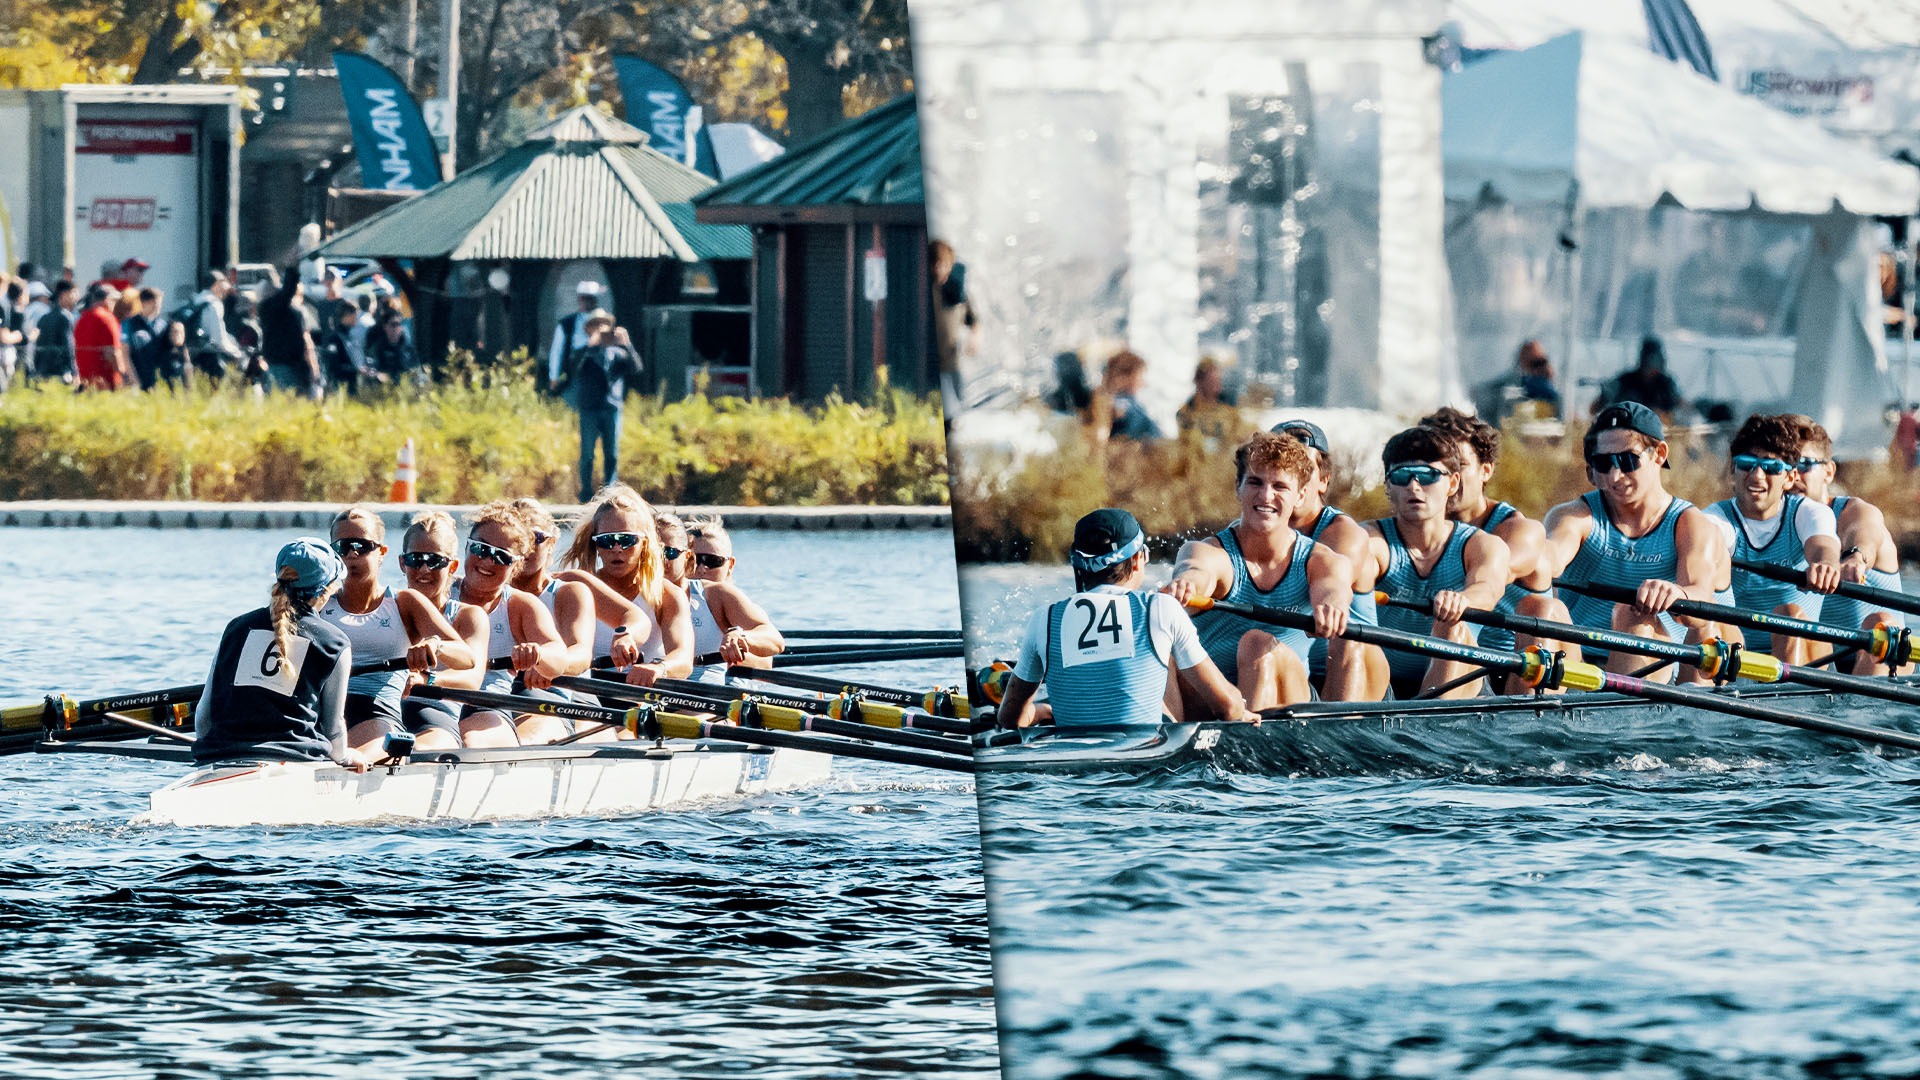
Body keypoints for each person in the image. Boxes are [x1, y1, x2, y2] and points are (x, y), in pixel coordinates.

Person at [998, 508, 1256, 729]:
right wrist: (1243, 709)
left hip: (1074, 775)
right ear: (1136, 560)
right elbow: (1228, 708)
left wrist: (1043, 712)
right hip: (1146, 764)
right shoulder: (1160, 608)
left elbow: (1010, 718)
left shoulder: (1044, 618)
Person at [1163, 432, 1354, 710]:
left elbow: (1333, 587)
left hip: (1287, 701)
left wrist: (1331, 606)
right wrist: (1187, 584)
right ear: (1238, 487)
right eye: (1255, 482)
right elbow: (1196, 570)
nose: (1266, 496)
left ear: (1300, 495)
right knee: (1157, 650)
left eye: (1279, 486)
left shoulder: (1322, 560)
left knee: (1256, 643)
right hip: (1215, 700)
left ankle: (1247, 744)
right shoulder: (1209, 551)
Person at [1543, 402, 1721, 677]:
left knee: (1634, 615)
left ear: (1659, 454)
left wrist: (1678, 593)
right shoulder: (1575, 516)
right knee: (1546, 608)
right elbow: (1550, 559)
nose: (1615, 476)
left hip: (1653, 664)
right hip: (1579, 663)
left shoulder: (1690, 524)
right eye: (1603, 463)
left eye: (1628, 460)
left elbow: (1701, 604)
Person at [1353, 426, 1511, 699]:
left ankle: (1430, 725)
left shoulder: (1481, 544)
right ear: (1389, 487)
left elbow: (1488, 588)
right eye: (1402, 476)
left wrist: (1463, 599)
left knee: (1452, 624)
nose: (1414, 486)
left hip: (1460, 681)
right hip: (1385, 683)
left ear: (1452, 483)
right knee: (1352, 645)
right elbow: (1352, 565)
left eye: (1428, 476)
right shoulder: (1370, 539)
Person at [1420, 407, 1573, 689]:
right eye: (1435, 466)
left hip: (1514, 672)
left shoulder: (1519, 530)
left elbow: (1493, 573)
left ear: (1485, 470)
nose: (1446, 476)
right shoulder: (1415, 528)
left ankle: (1530, 721)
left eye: (1458, 465)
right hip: (1449, 666)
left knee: (1542, 607)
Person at [191, 538, 373, 771]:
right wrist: (346, 756)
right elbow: (333, 728)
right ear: (327, 589)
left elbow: (203, 720)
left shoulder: (236, 628)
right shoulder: (334, 642)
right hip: (294, 760)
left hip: (219, 756)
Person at [317, 506, 477, 753]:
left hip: (375, 711)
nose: (351, 555)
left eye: (361, 546)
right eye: (342, 547)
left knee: (348, 761)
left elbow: (466, 658)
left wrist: (435, 644)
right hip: (319, 710)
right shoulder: (319, 602)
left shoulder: (405, 602)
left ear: (381, 552)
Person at [505, 497, 648, 743]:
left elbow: (633, 619)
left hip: (569, 691)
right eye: (518, 539)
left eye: (535, 538)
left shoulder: (570, 586)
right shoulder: (482, 592)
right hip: (501, 693)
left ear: (551, 542)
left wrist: (625, 634)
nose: (526, 546)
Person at [1703, 414, 1842, 664]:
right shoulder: (1715, 518)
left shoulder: (1808, 512)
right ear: (1734, 468)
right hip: (1739, 656)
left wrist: (1826, 565)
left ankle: (1789, 695)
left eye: (1771, 467)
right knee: (1704, 628)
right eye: (1747, 463)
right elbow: (1704, 545)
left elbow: (1823, 546)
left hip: (1806, 657)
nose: (1757, 476)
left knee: (1789, 614)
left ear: (1789, 478)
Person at [1267, 418, 1387, 701]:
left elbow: (1333, 579)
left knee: (1349, 641)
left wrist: (1330, 601)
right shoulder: (1249, 532)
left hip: (1353, 673)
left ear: (1323, 480)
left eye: (1303, 469)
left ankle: (1341, 738)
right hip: (1292, 673)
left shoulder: (1345, 535)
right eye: (1281, 468)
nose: (1291, 478)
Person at [447, 501, 576, 747]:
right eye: (481, 549)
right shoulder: (439, 593)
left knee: (470, 742)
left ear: (516, 565)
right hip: (432, 700)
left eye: (502, 557)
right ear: (466, 547)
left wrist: (539, 655)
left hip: (487, 705)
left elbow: (558, 657)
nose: (487, 561)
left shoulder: (520, 606)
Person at [1792, 418, 1907, 672]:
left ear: (1829, 472)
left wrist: (1855, 557)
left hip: (1877, 654)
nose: (1794, 476)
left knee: (1882, 623)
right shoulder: (1773, 524)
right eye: (1787, 466)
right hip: (1821, 657)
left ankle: (1870, 707)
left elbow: (1864, 533)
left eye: (1804, 465)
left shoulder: (1854, 513)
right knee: (1790, 617)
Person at [556, 484, 696, 687]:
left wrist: (659, 668)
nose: (617, 548)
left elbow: (683, 659)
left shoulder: (667, 595)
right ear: (595, 543)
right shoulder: (576, 590)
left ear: (645, 543)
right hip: (585, 694)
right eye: (607, 540)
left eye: (627, 540)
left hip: (642, 694)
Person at [394, 511, 494, 745]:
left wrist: (426, 679)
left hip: (434, 712)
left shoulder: (469, 616)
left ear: (452, 566)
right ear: (401, 562)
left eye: (435, 561)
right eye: (415, 560)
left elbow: (473, 679)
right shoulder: (386, 607)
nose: (424, 569)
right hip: (382, 709)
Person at [682, 516, 785, 682]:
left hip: (727, 685)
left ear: (730, 565)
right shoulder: (665, 594)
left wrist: (742, 639)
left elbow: (773, 644)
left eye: (713, 561)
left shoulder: (730, 600)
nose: (701, 568)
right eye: (694, 560)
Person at [555, 313, 644, 502]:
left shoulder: (618, 353)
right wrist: (590, 346)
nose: (602, 331)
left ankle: (610, 492)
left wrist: (627, 343)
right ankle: (586, 491)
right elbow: (573, 368)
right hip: (589, 408)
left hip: (611, 407)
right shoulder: (584, 352)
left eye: (605, 326)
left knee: (611, 453)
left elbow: (637, 368)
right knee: (587, 453)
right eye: (597, 326)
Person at [930, 239, 978, 406]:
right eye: (934, 263)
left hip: (951, 365)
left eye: (943, 264)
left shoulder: (956, 293)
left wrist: (974, 339)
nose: (938, 269)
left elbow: (973, 320)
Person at [260, 276, 321, 398]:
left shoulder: (266, 308)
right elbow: (307, 342)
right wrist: (314, 368)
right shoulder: (299, 312)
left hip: (272, 365)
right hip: (292, 367)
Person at [1597, 336, 1683, 417]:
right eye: (1648, 363)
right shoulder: (1625, 381)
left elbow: (1678, 409)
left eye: (1654, 363)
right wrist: (1604, 397)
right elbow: (1595, 409)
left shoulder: (1666, 384)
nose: (1650, 370)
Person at [184, 270, 244, 383]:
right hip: (211, 360)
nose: (225, 291)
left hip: (195, 355)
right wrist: (236, 351)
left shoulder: (197, 300)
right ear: (216, 285)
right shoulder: (214, 304)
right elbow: (218, 339)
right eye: (223, 285)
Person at [547, 280, 604, 394]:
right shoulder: (566, 324)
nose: (588, 301)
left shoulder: (605, 321)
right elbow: (556, 352)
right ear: (579, 299)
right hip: (573, 374)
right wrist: (554, 377)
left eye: (591, 298)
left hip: (599, 375)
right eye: (585, 298)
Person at [1176, 355, 1242, 448]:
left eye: (1218, 380)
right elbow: (1186, 444)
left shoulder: (1229, 410)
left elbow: (1238, 434)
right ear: (1199, 382)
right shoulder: (1186, 412)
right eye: (1211, 381)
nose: (1217, 386)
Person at [72, 284, 127, 390]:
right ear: (107, 300)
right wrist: (123, 375)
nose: (116, 305)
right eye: (114, 301)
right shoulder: (108, 318)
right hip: (105, 381)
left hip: (85, 379)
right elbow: (113, 352)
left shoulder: (82, 318)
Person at [1099, 350, 1163, 441]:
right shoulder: (1120, 402)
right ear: (1124, 377)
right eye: (1139, 377)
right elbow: (1118, 411)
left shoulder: (1129, 400)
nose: (1143, 383)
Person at [123, 288, 174, 392]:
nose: (158, 307)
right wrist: (134, 380)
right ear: (145, 303)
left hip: (162, 381)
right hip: (141, 378)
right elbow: (125, 354)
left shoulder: (163, 324)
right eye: (156, 303)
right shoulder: (129, 324)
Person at [33, 280, 77, 383]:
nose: (75, 297)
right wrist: (74, 371)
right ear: (64, 294)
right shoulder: (66, 317)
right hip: (62, 372)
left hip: (43, 371)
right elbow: (68, 346)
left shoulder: (44, 318)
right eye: (73, 293)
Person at [318, 304, 366, 395]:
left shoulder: (350, 336)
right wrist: (356, 369)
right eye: (354, 314)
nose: (356, 317)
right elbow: (333, 365)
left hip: (353, 384)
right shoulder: (335, 338)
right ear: (346, 316)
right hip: (340, 387)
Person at [365, 312, 418, 386]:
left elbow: (416, 369)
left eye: (399, 324)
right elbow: (370, 367)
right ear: (385, 327)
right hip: (385, 387)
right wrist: (377, 375)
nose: (396, 328)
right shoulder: (378, 348)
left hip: (406, 388)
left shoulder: (408, 348)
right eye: (393, 324)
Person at [1514, 340, 1560, 418]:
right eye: (1535, 364)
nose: (1540, 368)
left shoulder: (1548, 387)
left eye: (1542, 362)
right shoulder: (1522, 385)